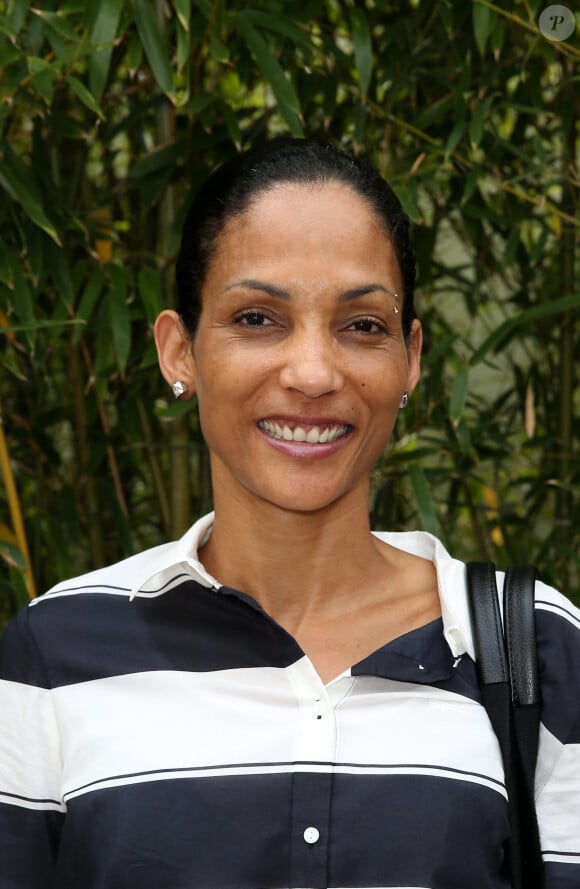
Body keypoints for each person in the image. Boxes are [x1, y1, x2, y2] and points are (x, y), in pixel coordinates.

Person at [1, 138, 578, 889]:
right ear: (180, 351)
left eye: (362, 325)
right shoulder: (55, 653)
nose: (311, 372)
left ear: (411, 359)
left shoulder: (531, 643)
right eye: (257, 318)